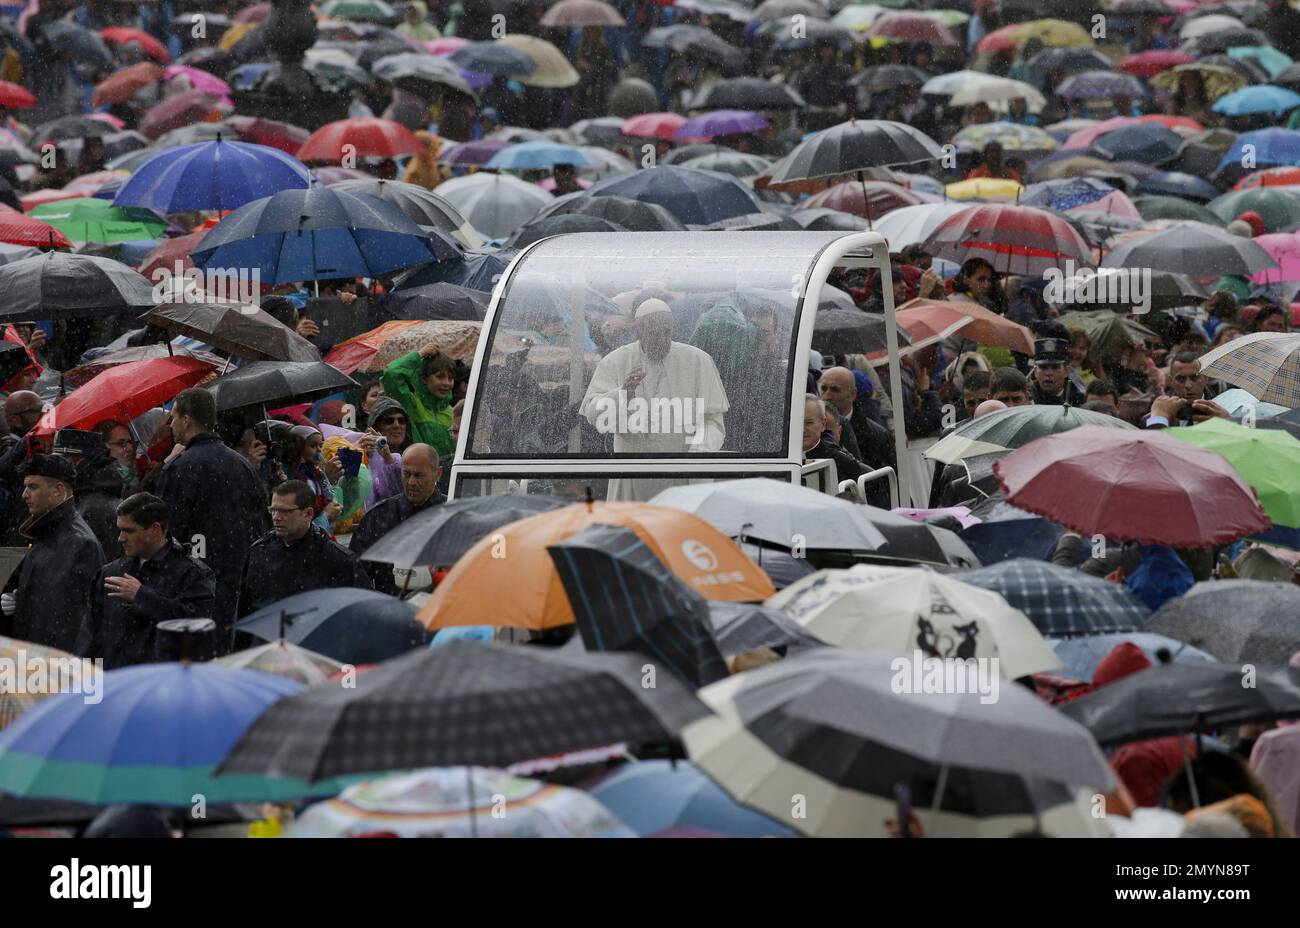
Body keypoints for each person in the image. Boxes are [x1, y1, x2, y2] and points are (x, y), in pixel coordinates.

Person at [580, 298, 730, 501]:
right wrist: (623, 393)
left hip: (683, 479)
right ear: (638, 331)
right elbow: (593, 415)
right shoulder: (616, 361)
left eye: (666, 332)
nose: (662, 340)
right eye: (654, 333)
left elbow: (713, 423)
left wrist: (696, 455)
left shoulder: (697, 360)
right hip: (633, 478)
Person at [154, 389, 268, 641]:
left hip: (196, 588)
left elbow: (168, 532)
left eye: (173, 417)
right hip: (239, 584)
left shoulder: (182, 467)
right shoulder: (243, 465)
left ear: (186, 419)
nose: (171, 425)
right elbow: (259, 523)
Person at [75, 493, 216, 669]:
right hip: (115, 682)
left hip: (161, 685)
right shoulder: (110, 572)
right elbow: (90, 635)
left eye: (129, 531)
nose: (121, 538)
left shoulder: (193, 574)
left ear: (155, 529)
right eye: (120, 529)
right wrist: (85, 681)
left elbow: (196, 627)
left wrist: (142, 597)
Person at [0, 453, 105, 652]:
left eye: (33, 486)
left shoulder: (80, 544)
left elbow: (80, 619)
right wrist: (20, 598)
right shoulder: (44, 533)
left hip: (56, 665)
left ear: (58, 491)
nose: (24, 494)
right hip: (38, 658)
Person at [235, 480, 372, 618]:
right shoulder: (259, 553)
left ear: (307, 513)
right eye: (273, 510)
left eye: (285, 511)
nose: (276, 517)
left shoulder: (338, 560)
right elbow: (244, 612)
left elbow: (364, 612)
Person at [348, 444, 447, 595]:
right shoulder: (378, 517)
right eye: (407, 474)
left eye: (419, 475)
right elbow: (356, 574)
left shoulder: (454, 515)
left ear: (438, 473)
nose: (412, 482)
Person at [380, 345, 456, 456]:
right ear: (424, 379)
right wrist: (419, 354)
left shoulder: (454, 413)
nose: (446, 383)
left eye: (450, 378)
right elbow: (391, 374)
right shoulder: (411, 404)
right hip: (415, 471)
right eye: (440, 377)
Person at [820, 366, 895, 472]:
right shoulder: (808, 430)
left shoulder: (877, 435)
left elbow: (886, 481)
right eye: (823, 389)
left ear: (852, 394)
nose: (826, 396)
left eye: (835, 390)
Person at [1028, 338, 1084, 406]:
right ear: (1035, 371)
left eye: (1055, 367)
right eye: (1043, 367)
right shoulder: (1027, 399)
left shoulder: (1079, 400)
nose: (1048, 373)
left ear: (1066, 371)